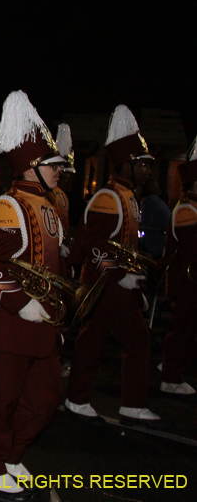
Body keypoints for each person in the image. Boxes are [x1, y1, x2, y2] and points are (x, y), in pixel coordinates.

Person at [0, 92, 67, 501]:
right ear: (31, 167)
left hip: (43, 325)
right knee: (2, 401)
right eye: (52, 164)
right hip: (12, 325)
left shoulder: (48, 206)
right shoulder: (8, 206)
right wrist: (20, 302)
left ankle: (10, 456)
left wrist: (56, 315)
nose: (59, 170)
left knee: (46, 398)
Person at [65, 105, 171, 429]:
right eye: (143, 165)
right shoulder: (109, 197)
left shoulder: (127, 197)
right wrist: (121, 275)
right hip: (103, 285)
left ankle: (130, 404)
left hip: (118, 287)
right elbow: (93, 243)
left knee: (134, 341)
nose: (148, 171)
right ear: (127, 164)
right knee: (93, 343)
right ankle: (79, 398)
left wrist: (134, 277)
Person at [159, 137, 197, 395]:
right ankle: (171, 376)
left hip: (189, 282)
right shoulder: (186, 210)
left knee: (186, 330)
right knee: (182, 329)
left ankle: (172, 366)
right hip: (185, 283)